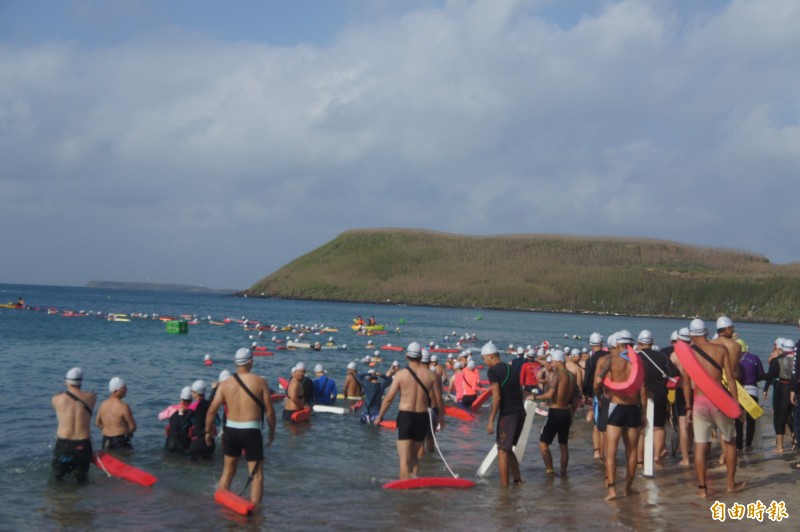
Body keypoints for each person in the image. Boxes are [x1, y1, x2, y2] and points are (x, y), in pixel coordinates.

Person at [205, 347, 276, 506]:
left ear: (235, 363)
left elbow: (211, 411)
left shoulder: (225, 384)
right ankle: (254, 514)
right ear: (250, 361)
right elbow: (270, 412)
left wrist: (207, 432)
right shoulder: (260, 382)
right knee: (256, 475)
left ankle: (220, 508)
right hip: (251, 431)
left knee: (228, 471)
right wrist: (272, 433)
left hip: (230, 431)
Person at [683, 319, 745, 497]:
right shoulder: (720, 350)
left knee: (700, 446)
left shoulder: (689, 354)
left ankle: (702, 490)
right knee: (729, 441)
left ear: (691, 335)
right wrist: (736, 404)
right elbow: (731, 379)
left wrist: (688, 407)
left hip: (700, 403)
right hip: (720, 401)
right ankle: (730, 485)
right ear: (707, 332)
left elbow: (686, 383)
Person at [375, 342, 445, 480]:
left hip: (406, 417)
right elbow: (439, 399)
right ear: (420, 357)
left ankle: (405, 495)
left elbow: (389, 398)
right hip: (422, 417)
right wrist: (441, 418)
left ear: (407, 356)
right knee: (414, 458)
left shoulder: (401, 375)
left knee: (404, 461)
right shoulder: (432, 376)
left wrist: (380, 416)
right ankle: (414, 490)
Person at [595, 330, 646, 501]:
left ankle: (611, 491)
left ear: (617, 344)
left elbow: (597, 382)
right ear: (631, 344)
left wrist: (600, 397)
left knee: (611, 452)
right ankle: (628, 489)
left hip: (616, 407)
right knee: (631, 452)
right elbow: (643, 389)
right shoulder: (637, 361)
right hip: (633, 408)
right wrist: (644, 413)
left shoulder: (610, 360)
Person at [482, 341, 525, 486]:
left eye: (484, 358)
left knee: (502, 450)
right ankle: (517, 480)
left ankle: (504, 488)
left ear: (491, 356)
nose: (484, 362)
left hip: (508, 414)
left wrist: (491, 420)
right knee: (508, 448)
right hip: (520, 412)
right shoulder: (511, 367)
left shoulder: (492, 371)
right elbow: (519, 391)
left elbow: (497, 397)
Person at [51, 368, 96, 483]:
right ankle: (80, 500)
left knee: (58, 478)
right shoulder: (91, 398)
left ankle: (61, 498)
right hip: (83, 445)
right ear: (81, 382)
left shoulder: (56, 399)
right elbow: (91, 393)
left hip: (64, 444)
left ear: (66, 381)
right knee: (81, 479)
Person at [535, 349, 574, 478]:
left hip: (555, 412)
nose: (551, 364)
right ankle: (563, 474)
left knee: (543, 443)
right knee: (564, 445)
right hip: (566, 413)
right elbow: (575, 399)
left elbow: (550, 394)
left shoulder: (558, 375)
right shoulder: (572, 376)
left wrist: (534, 398)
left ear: (558, 361)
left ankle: (550, 471)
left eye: (552, 361)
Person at [635, 330, 670, 467]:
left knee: (641, 428)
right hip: (659, 392)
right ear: (652, 343)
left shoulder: (636, 357)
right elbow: (670, 374)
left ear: (639, 343)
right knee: (658, 426)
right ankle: (656, 456)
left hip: (640, 393)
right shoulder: (661, 357)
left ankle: (639, 461)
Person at [763, 338, 796, 453]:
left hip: (782, 388)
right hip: (795, 389)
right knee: (792, 416)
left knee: (780, 417)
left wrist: (757, 376)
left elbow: (769, 376)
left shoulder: (779, 360)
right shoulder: (796, 360)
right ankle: (795, 438)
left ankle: (780, 447)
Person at [583, 332, 610, 461]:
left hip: (597, 393)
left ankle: (598, 452)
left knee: (597, 426)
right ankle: (608, 452)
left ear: (591, 345)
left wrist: (586, 394)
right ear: (602, 343)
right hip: (611, 393)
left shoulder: (591, 360)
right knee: (608, 425)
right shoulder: (610, 356)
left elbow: (588, 379)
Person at [95, 377, 136, 451]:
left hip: (106, 440)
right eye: (123, 388)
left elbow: (97, 423)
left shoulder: (103, 404)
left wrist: (108, 428)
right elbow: (133, 427)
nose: (126, 390)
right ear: (116, 391)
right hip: (120, 440)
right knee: (124, 459)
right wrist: (129, 433)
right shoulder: (123, 406)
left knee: (108, 460)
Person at [739, 345, 765, 452]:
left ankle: (738, 445)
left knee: (738, 420)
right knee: (751, 420)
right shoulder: (755, 358)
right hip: (753, 391)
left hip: (739, 392)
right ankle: (748, 445)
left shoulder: (733, 358)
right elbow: (761, 375)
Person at [187, 380, 215, 459]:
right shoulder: (210, 405)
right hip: (210, 443)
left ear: (195, 393)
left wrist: (180, 413)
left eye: (192, 391)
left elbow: (183, 423)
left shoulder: (193, 406)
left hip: (197, 442)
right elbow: (217, 422)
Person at [163, 386, 193, 453]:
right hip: (185, 445)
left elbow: (160, 417)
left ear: (180, 398)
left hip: (170, 444)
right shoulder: (192, 412)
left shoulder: (171, 408)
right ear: (191, 400)